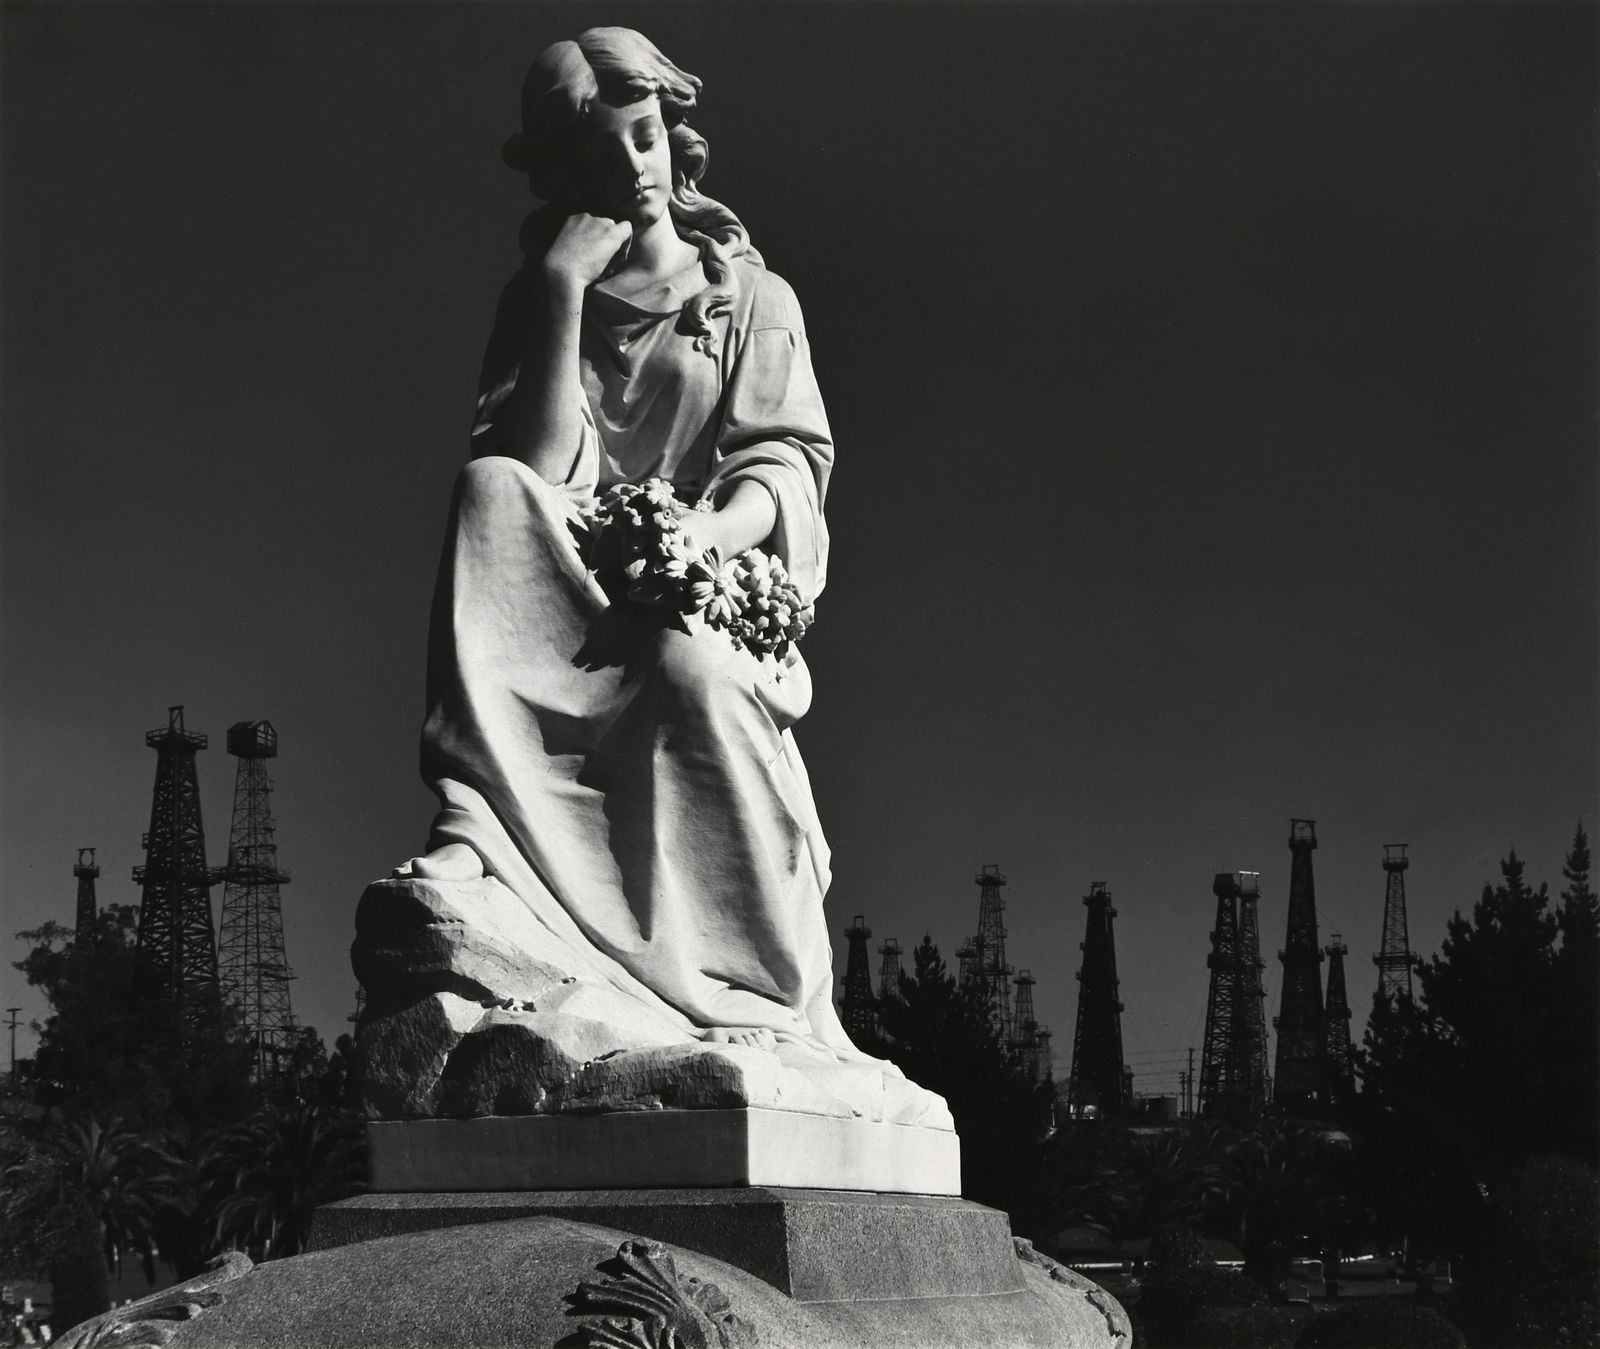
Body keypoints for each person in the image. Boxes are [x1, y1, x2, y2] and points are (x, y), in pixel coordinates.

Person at [399, 28, 865, 1063]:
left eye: (647, 138)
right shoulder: (537, 301)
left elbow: (781, 464)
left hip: (708, 584)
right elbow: (537, 472)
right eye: (605, 157)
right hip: (570, 583)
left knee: (681, 665)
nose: (637, 171)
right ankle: (483, 822)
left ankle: (741, 977)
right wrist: (561, 293)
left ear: (675, 137)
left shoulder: (751, 298)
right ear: (565, 177)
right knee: (484, 485)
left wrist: (703, 535)